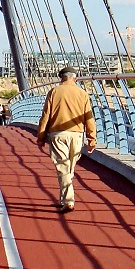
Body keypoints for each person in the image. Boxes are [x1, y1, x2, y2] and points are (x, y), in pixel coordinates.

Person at [36, 65, 96, 213]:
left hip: (58, 134)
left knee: (63, 167)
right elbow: (89, 118)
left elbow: (46, 116)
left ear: (61, 77)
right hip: (77, 135)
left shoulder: (54, 92)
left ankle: (68, 201)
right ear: (75, 78)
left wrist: (41, 137)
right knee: (69, 168)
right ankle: (64, 199)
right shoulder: (83, 94)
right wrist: (91, 138)